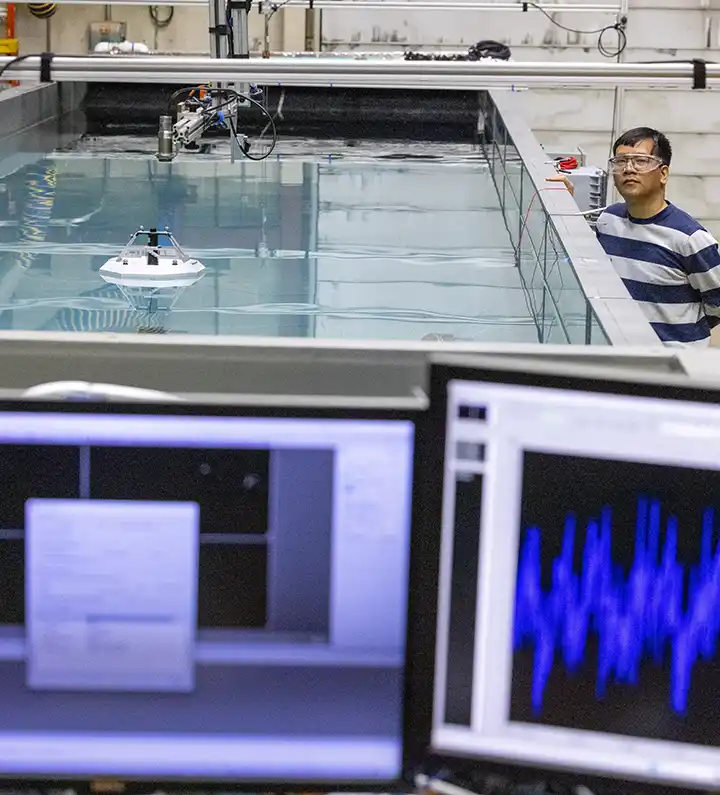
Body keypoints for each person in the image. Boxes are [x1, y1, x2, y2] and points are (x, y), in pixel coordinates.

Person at [549, 127, 720, 346]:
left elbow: (716, 304)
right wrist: (564, 204)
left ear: (663, 173)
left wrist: (679, 334)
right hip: (621, 356)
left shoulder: (690, 239)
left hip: (672, 367)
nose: (629, 169)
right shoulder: (608, 220)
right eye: (621, 162)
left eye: (640, 161)